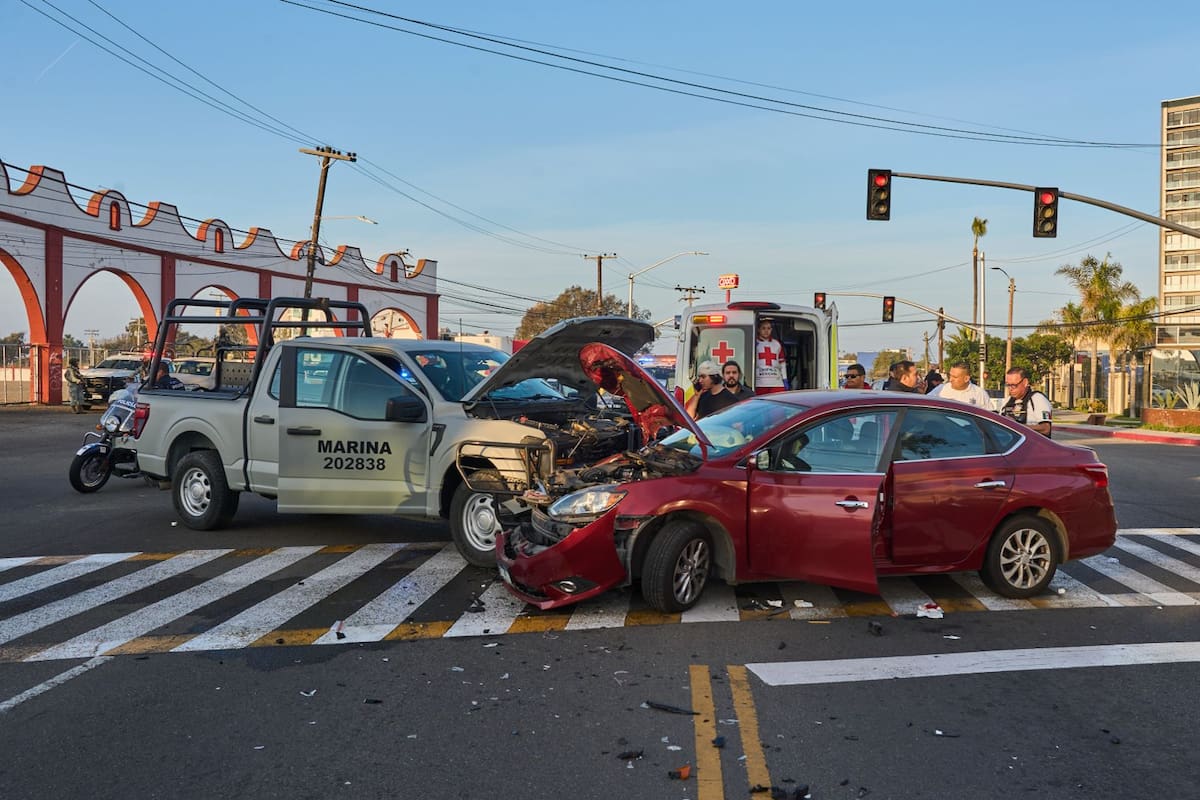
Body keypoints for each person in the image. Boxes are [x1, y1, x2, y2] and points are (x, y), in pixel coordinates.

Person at [999, 366, 1053, 437]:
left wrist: (1017, 426)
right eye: (1008, 385)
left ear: (1025, 382)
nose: (1010, 389)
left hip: (1034, 445)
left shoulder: (1037, 399)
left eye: (1014, 385)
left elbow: (1046, 428)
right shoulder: (1007, 401)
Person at [754, 318, 787, 395]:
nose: (766, 331)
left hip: (776, 383)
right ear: (758, 329)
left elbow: (782, 363)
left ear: (771, 330)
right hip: (760, 383)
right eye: (763, 328)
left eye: (768, 328)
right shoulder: (753, 343)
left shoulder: (777, 344)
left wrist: (785, 379)